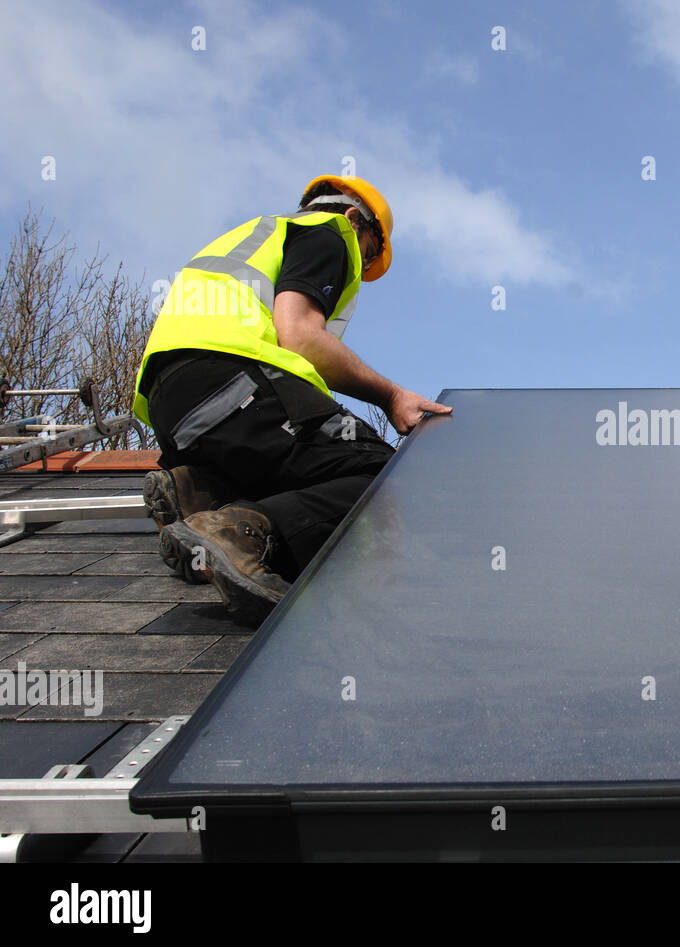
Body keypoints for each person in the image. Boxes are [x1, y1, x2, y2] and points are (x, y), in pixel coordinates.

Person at [132, 175, 451, 621]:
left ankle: (197, 490)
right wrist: (391, 396)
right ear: (356, 219)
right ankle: (235, 532)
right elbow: (300, 336)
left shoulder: (256, 234)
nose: (362, 265)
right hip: (236, 380)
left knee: (307, 476)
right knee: (388, 478)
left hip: (174, 402)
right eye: (371, 253)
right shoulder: (329, 234)